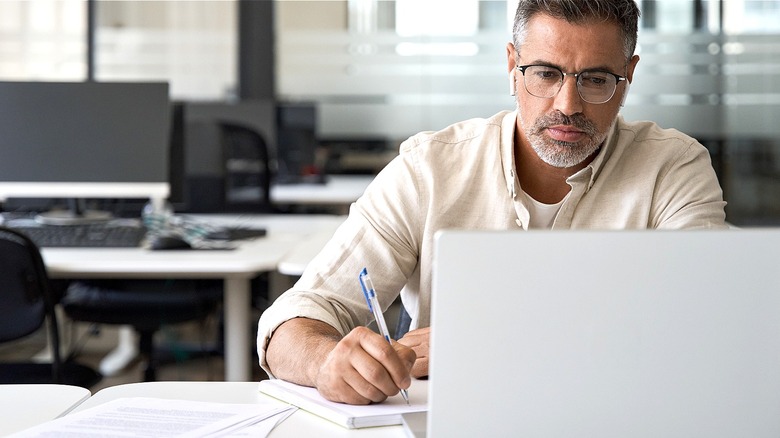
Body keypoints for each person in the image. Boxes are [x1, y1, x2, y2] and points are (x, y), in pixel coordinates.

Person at [258, 0, 727, 405]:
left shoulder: (674, 169)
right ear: (511, 66)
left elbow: (709, 323)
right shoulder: (430, 170)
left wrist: (483, 343)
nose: (568, 103)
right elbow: (294, 318)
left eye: (596, 79)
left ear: (628, 77)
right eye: (545, 73)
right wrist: (326, 363)